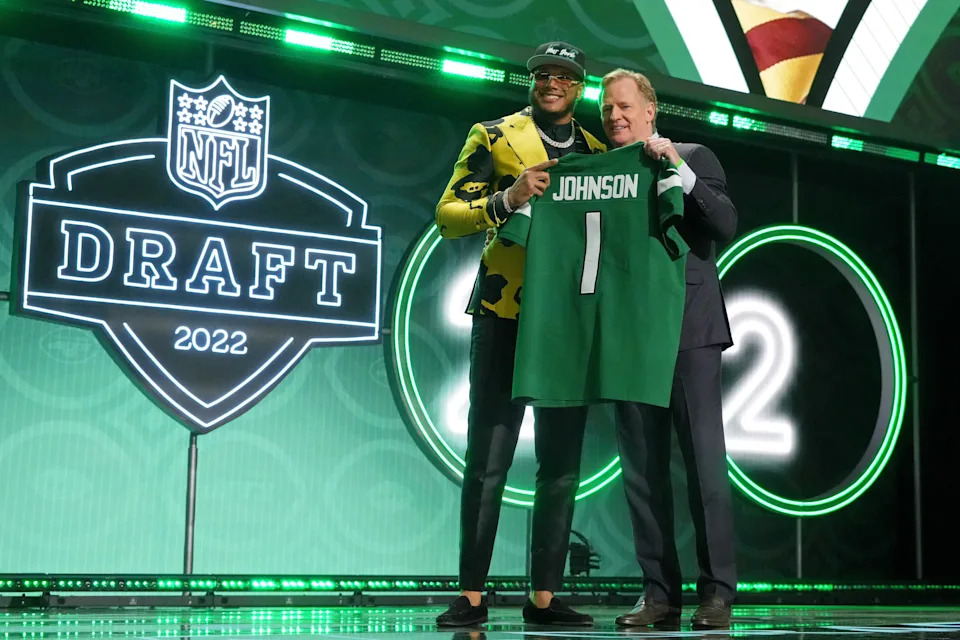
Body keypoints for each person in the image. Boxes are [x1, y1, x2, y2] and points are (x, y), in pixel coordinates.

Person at [433, 42, 606, 627]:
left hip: (566, 320)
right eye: (544, 74)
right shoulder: (494, 134)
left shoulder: (599, 153)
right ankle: (472, 596)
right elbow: (448, 214)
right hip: (503, 310)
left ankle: (544, 599)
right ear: (530, 81)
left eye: (565, 75)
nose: (553, 83)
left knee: (561, 464)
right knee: (489, 456)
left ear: (579, 88)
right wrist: (508, 197)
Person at [598, 69, 739, 630]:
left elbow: (724, 222)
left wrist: (675, 169)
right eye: (607, 108)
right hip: (628, 333)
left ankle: (717, 593)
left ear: (651, 110)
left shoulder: (693, 154)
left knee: (704, 466)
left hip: (689, 329)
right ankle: (659, 593)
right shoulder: (599, 173)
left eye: (625, 106)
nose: (614, 116)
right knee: (641, 471)